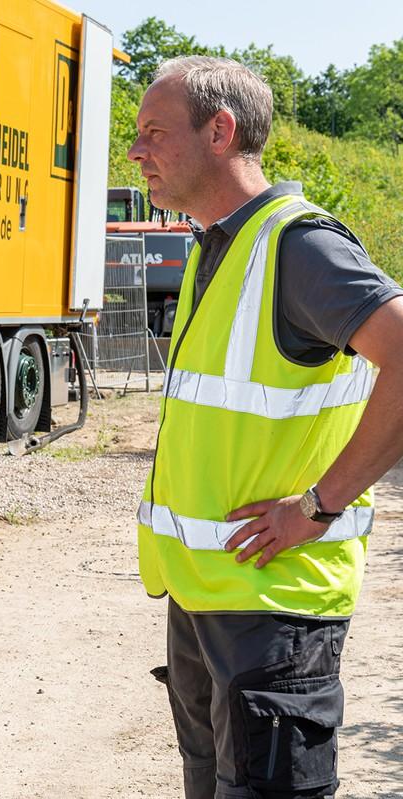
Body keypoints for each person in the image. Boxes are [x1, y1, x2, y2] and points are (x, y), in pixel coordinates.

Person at [129, 56, 403, 799]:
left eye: (153, 132)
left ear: (220, 132)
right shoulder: (215, 247)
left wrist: (319, 506)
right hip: (205, 596)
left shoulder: (299, 247)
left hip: (275, 609)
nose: (135, 151)